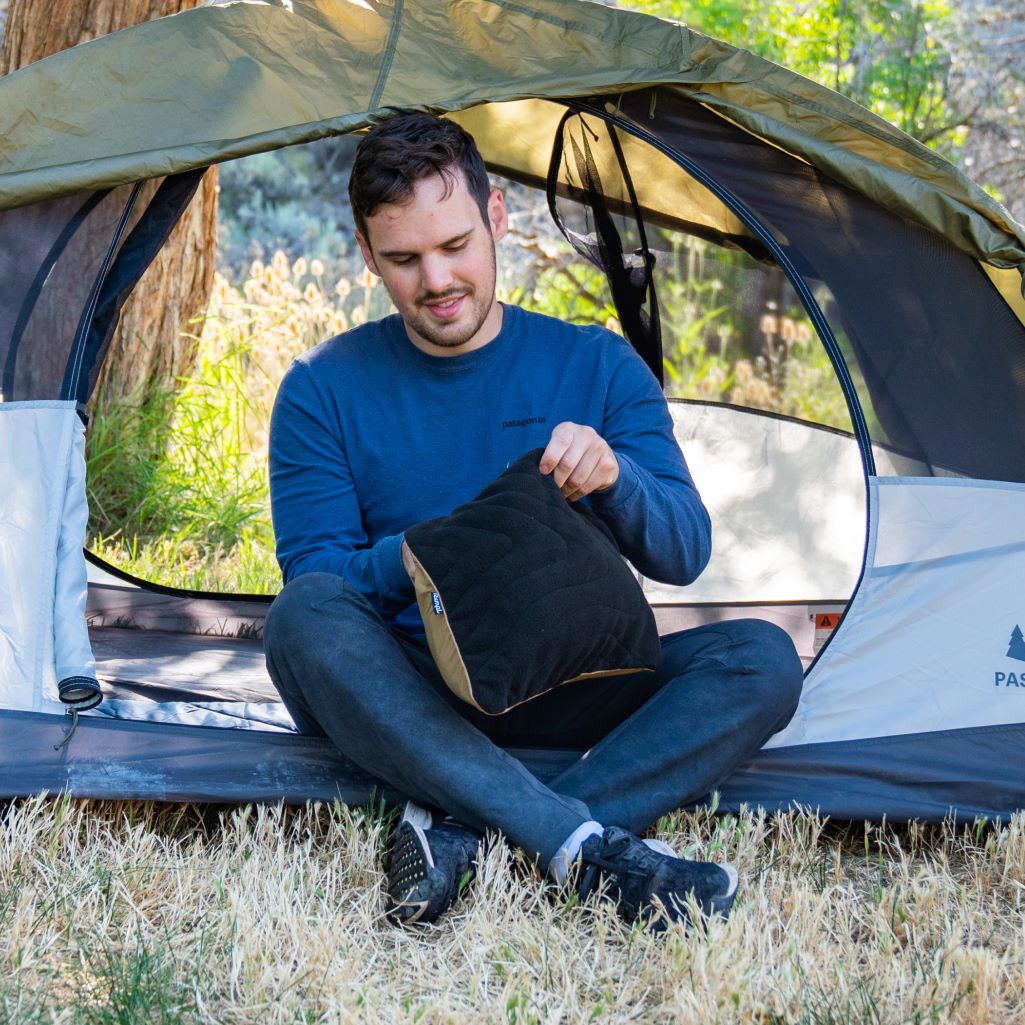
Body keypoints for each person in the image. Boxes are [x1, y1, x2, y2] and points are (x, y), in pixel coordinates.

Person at [264, 112, 804, 930]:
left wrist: (615, 480)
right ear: (368, 253)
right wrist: (430, 553)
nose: (436, 279)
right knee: (299, 619)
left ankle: (470, 827)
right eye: (404, 259)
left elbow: (685, 549)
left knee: (760, 658)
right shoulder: (320, 389)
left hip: (576, 680)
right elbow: (315, 575)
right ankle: (582, 845)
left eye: (454, 246)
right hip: (416, 692)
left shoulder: (594, 362)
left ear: (497, 221)